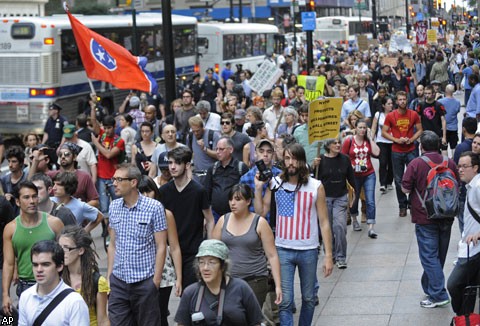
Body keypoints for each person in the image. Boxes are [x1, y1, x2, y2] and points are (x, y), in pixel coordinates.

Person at [254, 143, 334, 325]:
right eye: (287, 158)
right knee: (285, 301)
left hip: (309, 250)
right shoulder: (275, 183)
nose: (291, 163)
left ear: (302, 161)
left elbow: (324, 222)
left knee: (309, 298)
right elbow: (261, 212)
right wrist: (258, 189)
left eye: (295, 159)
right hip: (283, 250)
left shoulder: (316, 186)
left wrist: (328, 256)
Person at [402, 131, 459, 308]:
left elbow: (405, 188)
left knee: (428, 256)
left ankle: (438, 294)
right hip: (447, 214)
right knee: (438, 255)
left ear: (422, 146)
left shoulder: (416, 163)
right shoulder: (449, 162)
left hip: (425, 216)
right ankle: (430, 286)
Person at [107, 164, 167, 326]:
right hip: (119, 281)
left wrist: (155, 281)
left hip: (144, 282)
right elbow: (112, 244)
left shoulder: (154, 207)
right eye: (114, 179)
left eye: (119, 179)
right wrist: (109, 276)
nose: (114, 184)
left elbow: (161, 246)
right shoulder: (114, 207)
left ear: (133, 182)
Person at [213, 184, 282, 308]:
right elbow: (213, 252)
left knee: (249, 317)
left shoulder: (260, 223)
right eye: (231, 199)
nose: (233, 203)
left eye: (238, 199)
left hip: (255, 279)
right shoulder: (223, 220)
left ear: (248, 201)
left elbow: (272, 255)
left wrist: (278, 285)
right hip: (229, 279)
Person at [2, 181, 64, 316]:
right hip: (25, 287)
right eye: (26, 197)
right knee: (9, 319)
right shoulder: (10, 229)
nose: (32, 201)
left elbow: (67, 255)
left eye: (34, 196)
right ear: (17, 202)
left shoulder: (54, 223)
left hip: (53, 284)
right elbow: (8, 263)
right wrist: (6, 295)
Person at [158, 147, 214, 290]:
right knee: (161, 300)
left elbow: (209, 219)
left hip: (192, 251)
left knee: (190, 294)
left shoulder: (198, 191)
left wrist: (210, 245)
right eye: (170, 163)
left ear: (187, 165)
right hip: (169, 252)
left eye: (177, 163)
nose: (172, 167)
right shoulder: (164, 191)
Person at [175, 239, 264, 326]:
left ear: (223, 266)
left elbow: (256, 322)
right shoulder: (190, 293)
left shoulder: (241, 288)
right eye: (201, 262)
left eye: (212, 262)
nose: (205, 268)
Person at [138, 176, 182, 326]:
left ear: (155, 192)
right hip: (138, 270)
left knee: (160, 313)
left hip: (164, 271)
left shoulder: (165, 214)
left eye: (148, 192)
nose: (145, 196)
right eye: (141, 192)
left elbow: (174, 247)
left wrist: (179, 278)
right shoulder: (130, 213)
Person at [18, 240, 89, 326]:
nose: (39, 270)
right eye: (35, 265)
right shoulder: (25, 296)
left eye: (45, 264)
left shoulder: (74, 302)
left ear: (59, 266)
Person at [447, 151, 480, 315]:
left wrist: (478, 234)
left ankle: (463, 318)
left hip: (475, 250)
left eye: (464, 166)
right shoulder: (471, 186)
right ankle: (466, 320)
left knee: (453, 285)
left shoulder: (478, 187)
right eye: (459, 166)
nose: (460, 170)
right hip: (469, 249)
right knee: (470, 289)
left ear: (475, 168)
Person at [382, 91, 423, 217]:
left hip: (411, 149)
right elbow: (384, 132)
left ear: (407, 100)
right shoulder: (390, 116)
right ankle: (402, 205)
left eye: (404, 99)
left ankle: (412, 202)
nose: (402, 102)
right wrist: (395, 139)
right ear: (396, 101)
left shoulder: (414, 114)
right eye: (400, 99)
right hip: (396, 150)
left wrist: (412, 139)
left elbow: (420, 129)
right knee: (398, 179)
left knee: (414, 177)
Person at [316, 138, 356, 268]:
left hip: (341, 197)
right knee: (327, 227)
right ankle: (330, 254)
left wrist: (354, 198)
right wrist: (313, 167)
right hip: (324, 198)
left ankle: (341, 256)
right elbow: (313, 180)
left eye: (339, 142)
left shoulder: (345, 159)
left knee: (339, 227)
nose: (338, 145)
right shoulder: (320, 160)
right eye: (334, 143)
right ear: (327, 145)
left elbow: (351, 178)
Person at [59, 225, 109, 326]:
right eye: (59, 248)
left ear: (80, 250)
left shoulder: (97, 282)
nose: (61, 252)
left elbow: (103, 320)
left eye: (67, 248)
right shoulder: (56, 279)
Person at [29, 142, 99, 208]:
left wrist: (78, 208)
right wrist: (36, 160)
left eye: (66, 154)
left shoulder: (84, 176)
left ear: (74, 157)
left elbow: (95, 201)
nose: (62, 157)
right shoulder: (53, 175)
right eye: (60, 154)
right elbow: (30, 183)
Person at [342, 118, 380, 238]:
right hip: (354, 175)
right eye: (360, 127)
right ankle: (354, 219)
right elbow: (343, 157)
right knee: (354, 198)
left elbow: (377, 153)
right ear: (355, 128)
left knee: (370, 200)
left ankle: (371, 226)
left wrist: (370, 138)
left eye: (364, 128)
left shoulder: (367, 141)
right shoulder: (349, 141)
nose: (362, 130)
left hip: (368, 173)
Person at [90, 111, 126, 219]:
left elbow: (108, 155)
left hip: (114, 178)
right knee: (104, 207)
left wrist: (96, 143)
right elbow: (93, 120)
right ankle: (106, 230)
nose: (106, 131)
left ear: (115, 126)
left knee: (118, 204)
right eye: (105, 128)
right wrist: (93, 106)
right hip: (101, 177)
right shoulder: (102, 134)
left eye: (109, 128)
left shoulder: (119, 141)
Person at [204, 137, 249, 222]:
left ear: (231, 150)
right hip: (215, 214)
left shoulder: (241, 168)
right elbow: (207, 191)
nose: (217, 152)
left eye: (221, 149)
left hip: (236, 214)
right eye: (216, 149)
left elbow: (247, 193)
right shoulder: (212, 168)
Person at [240, 139, 282, 221]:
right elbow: (242, 206)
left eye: (269, 151)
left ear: (273, 154)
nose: (265, 155)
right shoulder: (246, 178)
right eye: (261, 151)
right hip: (253, 223)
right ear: (255, 153)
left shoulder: (280, 175)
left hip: (276, 222)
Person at [371, 96, 394, 193]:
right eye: (388, 104)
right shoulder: (378, 114)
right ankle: (382, 183)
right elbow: (374, 127)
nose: (390, 105)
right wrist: (371, 139)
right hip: (381, 141)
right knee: (383, 162)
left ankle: (389, 181)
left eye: (391, 103)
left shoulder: (395, 114)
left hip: (393, 141)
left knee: (392, 163)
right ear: (383, 105)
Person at [415, 85, 447, 153]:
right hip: (425, 135)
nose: (427, 95)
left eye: (429, 93)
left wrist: (444, 137)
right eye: (425, 93)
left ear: (433, 94)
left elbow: (443, 121)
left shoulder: (439, 105)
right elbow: (418, 120)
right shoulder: (420, 105)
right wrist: (418, 135)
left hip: (436, 134)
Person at [1, 146, 27, 215]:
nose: (10, 165)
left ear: (21, 163)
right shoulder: (4, 180)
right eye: (9, 161)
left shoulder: (26, 178)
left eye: (14, 162)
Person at [438, 84, 461, 156]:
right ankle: (454, 162)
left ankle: (446, 163)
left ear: (445, 91)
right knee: (454, 146)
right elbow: (457, 111)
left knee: (444, 147)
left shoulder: (440, 101)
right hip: (454, 127)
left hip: (443, 128)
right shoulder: (457, 102)